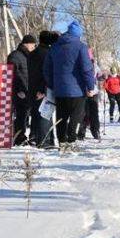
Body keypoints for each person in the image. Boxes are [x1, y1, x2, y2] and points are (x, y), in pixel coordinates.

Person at [44, 21, 97, 150]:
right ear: (78, 34)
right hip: (77, 90)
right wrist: (91, 86)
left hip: (59, 90)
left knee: (61, 116)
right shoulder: (81, 47)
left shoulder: (54, 47)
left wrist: (52, 84)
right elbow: (86, 69)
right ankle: (71, 141)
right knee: (76, 115)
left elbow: (46, 69)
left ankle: (62, 141)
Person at [29, 31, 58, 148]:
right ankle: (44, 142)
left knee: (42, 114)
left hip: (33, 87)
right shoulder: (47, 53)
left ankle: (49, 140)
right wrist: (42, 90)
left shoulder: (33, 53)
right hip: (44, 88)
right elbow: (43, 73)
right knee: (45, 115)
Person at [8, 35, 36, 146]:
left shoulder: (28, 56)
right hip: (19, 91)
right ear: (27, 44)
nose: (34, 47)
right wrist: (19, 89)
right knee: (21, 116)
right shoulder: (15, 56)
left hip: (28, 90)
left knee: (26, 115)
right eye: (33, 45)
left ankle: (25, 137)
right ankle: (19, 138)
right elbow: (13, 73)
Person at [77, 48, 101, 140]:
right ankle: (81, 132)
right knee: (83, 113)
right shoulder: (80, 64)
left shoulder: (94, 65)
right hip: (84, 91)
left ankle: (95, 131)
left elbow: (99, 75)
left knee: (92, 113)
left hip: (92, 91)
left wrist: (102, 76)